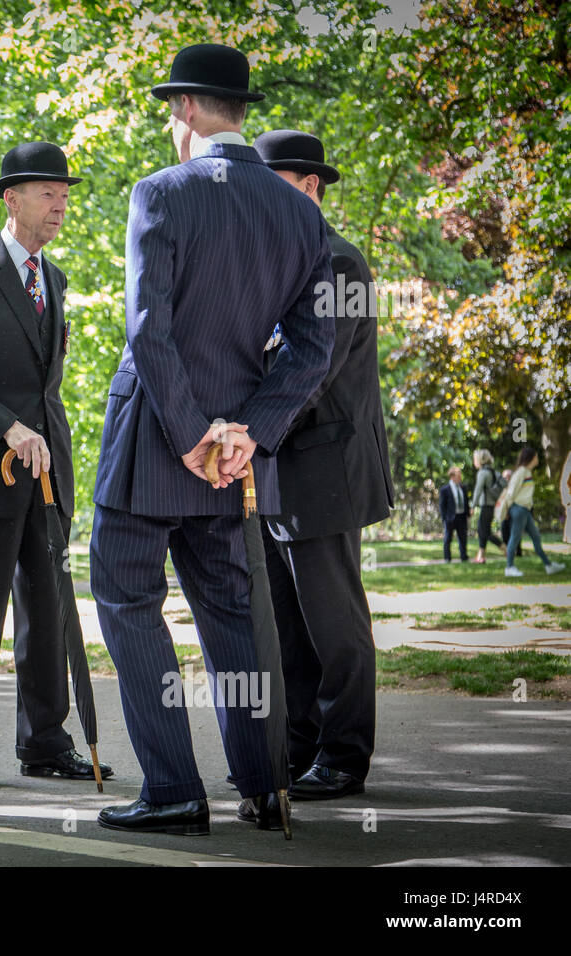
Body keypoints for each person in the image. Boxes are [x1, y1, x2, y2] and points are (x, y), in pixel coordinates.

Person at [89, 44, 335, 837]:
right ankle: (263, 785)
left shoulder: (161, 192)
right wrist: (245, 437)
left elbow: (149, 327)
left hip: (154, 442)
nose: (171, 122)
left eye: (171, 109)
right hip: (231, 459)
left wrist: (194, 433)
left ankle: (172, 790)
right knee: (230, 611)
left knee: (128, 601)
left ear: (187, 109)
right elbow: (311, 348)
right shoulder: (301, 212)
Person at [0, 141, 112, 791]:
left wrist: (42, 437)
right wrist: (6, 429)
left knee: (48, 613)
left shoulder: (57, 278)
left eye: (65, 194)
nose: (61, 204)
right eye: (48, 193)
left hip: (50, 474)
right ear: (11, 199)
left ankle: (44, 741)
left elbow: (47, 385)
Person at [252, 129, 394, 804]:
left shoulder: (338, 263)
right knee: (291, 625)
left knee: (335, 624)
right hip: (281, 469)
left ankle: (343, 756)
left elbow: (310, 375)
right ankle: (301, 746)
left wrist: (244, 434)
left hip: (326, 471)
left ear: (309, 187)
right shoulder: (282, 262)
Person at [500, 446, 565, 577]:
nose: (537, 459)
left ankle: (549, 565)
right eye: (536, 456)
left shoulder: (527, 472)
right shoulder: (521, 472)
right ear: (530, 458)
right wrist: (507, 509)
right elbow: (511, 493)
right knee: (515, 538)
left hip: (525, 510)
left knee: (535, 537)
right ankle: (509, 567)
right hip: (518, 509)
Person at [471, 449, 506, 563]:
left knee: (484, 532)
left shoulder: (482, 473)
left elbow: (478, 490)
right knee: (483, 530)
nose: (474, 461)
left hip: (486, 505)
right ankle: (481, 556)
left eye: (475, 459)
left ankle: (505, 548)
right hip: (492, 505)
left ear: (480, 460)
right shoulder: (493, 471)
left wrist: (472, 506)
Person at [438, 466, 470, 562]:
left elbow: (466, 502)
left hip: (461, 516)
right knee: (448, 538)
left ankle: (463, 556)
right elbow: (442, 505)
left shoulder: (463, 487)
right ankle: (447, 558)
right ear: (452, 477)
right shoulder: (445, 489)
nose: (460, 478)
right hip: (450, 517)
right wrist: (444, 518)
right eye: (458, 476)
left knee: (463, 538)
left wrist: (468, 513)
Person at [499, 468, 521, 557]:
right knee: (505, 534)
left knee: (515, 534)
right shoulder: (501, 488)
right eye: (505, 477)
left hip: (514, 514)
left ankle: (518, 552)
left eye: (509, 476)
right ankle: (507, 552)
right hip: (504, 515)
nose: (507, 478)